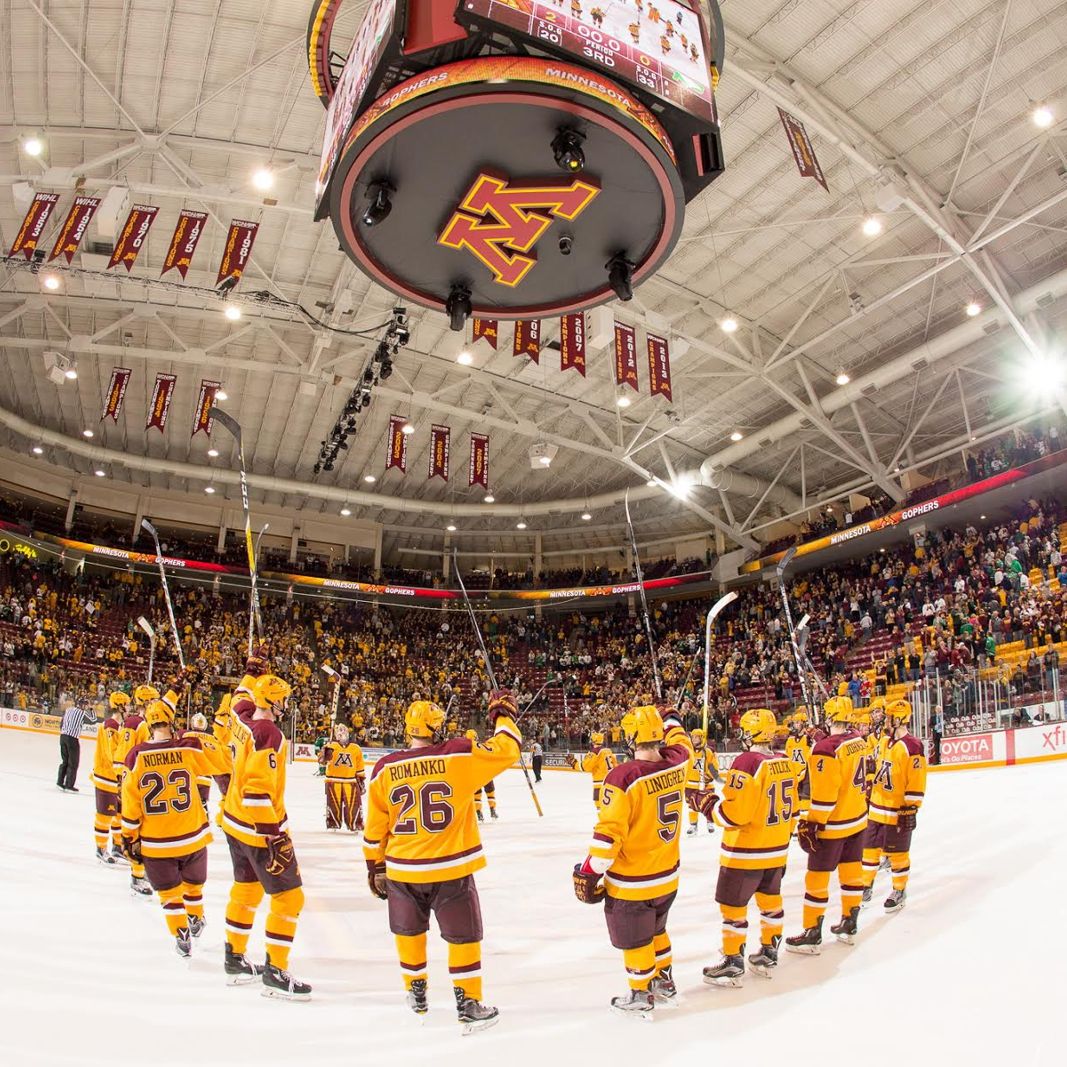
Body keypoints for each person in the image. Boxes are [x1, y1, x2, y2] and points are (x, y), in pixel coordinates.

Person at [363, 692, 521, 1033]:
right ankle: (468, 1002)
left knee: (409, 931)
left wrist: (374, 866)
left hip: (403, 867)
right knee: (464, 936)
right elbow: (508, 749)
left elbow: (375, 827)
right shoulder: (457, 754)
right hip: (451, 867)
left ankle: (415, 991)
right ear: (437, 728)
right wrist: (502, 715)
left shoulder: (384, 767)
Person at [572, 704, 693, 1019]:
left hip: (633, 881)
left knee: (636, 939)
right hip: (668, 875)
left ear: (630, 736)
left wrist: (589, 871)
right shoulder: (678, 761)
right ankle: (665, 982)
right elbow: (682, 741)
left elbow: (608, 838)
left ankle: (641, 994)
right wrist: (672, 718)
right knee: (657, 930)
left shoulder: (623, 777)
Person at [692, 709, 798, 985]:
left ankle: (733, 960)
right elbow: (794, 811)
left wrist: (708, 806)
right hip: (777, 849)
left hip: (745, 852)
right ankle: (770, 951)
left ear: (751, 734)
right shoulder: (785, 761)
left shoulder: (747, 762)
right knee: (771, 903)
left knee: (732, 908)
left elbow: (734, 815)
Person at [222, 673, 310, 999]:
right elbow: (257, 792)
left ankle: (234, 958)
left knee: (245, 891)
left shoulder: (240, 715)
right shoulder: (268, 733)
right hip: (258, 829)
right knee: (290, 898)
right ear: (273, 701)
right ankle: (275, 971)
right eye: (282, 698)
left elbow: (238, 696)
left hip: (234, 822)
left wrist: (251, 669)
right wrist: (273, 836)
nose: (286, 703)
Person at [121, 699, 228, 957]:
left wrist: (129, 837)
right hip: (192, 835)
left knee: (169, 894)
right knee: (193, 886)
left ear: (149, 725)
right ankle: (195, 917)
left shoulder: (135, 756)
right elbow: (223, 762)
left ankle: (181, 932)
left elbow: (130, 804)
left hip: (156, 842)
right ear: (171, 722)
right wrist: (211, 734)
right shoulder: (188, 747)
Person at [785, 696, 869, 953]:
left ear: (830, 716)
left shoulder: (825, 749)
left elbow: (825, 796)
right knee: (852, 873)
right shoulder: (858, 740)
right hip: (858, 819)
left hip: (833, 825)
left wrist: (812, 822)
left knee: (816, 879)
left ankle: (812, 931)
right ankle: (849, 923)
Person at [862, 698, 927, 911]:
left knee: (898, 854)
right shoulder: (883, 741)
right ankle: (865, 885)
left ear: (899, 719)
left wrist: (911, 806)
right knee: (869, 850)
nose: (885, 721)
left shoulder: (913, 746)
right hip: (876, 808)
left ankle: (899, 890)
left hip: (897, 810)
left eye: (889, 717)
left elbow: (916, 780)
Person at [91, 691, 127, 864]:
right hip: (107, 777)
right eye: (127, 704)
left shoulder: (119, 726)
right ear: (120, 706)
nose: (129, 707)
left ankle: (118, 847)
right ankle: (101, 848)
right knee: (104, 815)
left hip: (116, 778)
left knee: (118, 815)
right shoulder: (110, 726)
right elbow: (112, 753)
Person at [319, 722, 365, 831]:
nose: (343, 735)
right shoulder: (330, 746)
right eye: (340, 733)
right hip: (333, 780)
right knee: (333, 803)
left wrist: (361, 780)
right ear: (336, 735)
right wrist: (324, 755)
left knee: (353, 804)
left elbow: (359, 766)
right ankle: (333, 823)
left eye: (344, 733)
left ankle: (355, 823)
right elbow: (321, 762)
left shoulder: (356, 748)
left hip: (351, 781)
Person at [567, 730, 618, 808]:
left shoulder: (595, 752)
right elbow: (615, 766)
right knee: (611, 807)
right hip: (611, 782)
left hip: (600, 783)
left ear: (594, 741)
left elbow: (585, 767)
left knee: (600, 807)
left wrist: (574, 763)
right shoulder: (608, 751)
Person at [183, 711, 218, 818]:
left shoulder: (185, 735)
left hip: (189, 775)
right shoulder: (212, 738)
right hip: (205, 777)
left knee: (188, 803)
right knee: (202, 804)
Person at [685, 727, 718, 835]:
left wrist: (708, 776)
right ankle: (693, 825)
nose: (694, 739)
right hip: (690, 784)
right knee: (691, 805)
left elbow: (714, 767)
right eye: (693, 737)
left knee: (708, 804)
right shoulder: (688, 752)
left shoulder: (708, 752)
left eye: (697, 737)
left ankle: (710, 822)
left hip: (706, 784)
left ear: (702, 738)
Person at [57, 696, 93, 792]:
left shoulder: (68, 710)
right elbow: (93, 720)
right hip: (72, 739)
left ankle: (60, 782)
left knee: (65, 761)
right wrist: (91, 709)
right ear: (83, 705)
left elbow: (61, 723)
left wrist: (64, 731)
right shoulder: (82, 713)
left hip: (63, 737)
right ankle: (69, 785)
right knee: (73, 763)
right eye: (85, 705)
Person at [785, 709, 813, 821]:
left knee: (806, 801)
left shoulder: (809, 739)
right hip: (794, 774)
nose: (795, 725)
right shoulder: (790, 740)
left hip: (807, 774)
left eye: (798, 722)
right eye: (794, 723)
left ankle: (806, 822)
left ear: (804, 724)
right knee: (795, 801)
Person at [466, 730, 499, 822]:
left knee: (477, 794)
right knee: (490, 792)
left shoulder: (465, 750)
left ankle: (479, 813)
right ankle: (492, 810)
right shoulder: (481, 746)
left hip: (474, 774)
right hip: (486, 772)